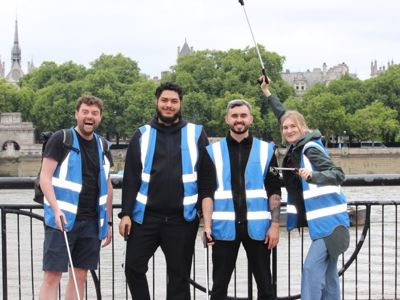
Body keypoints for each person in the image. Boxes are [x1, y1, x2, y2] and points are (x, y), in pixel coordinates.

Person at [260, 76, 350, 300]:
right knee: (329, 276)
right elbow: (283, 113)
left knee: (311, 269)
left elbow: (338, 174)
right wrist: (267, 92)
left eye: (293, 126)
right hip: (325, 223)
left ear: (303, 127)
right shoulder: (299, 144)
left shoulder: (309, 148)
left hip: (330, 223)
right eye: (285, 127)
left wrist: (313, 176)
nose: (288, 130)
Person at [118, 82, 209, 300]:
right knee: (133, 267)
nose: (169, 105)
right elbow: (131, 178)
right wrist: (126, 214)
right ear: (157, 102)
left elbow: (207, 176)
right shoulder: (141, 134)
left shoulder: (196, 134)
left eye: (174, 101)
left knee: (179, 278)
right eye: (165, 101)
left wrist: (203, 214)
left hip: (182, 219)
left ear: (180, 104)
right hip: (145, 218)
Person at [199, 98, 282, 300]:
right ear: (227, 119)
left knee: (266, 288)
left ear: (250, 119)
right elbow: (207, 193)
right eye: (234, 116)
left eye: (243, 115)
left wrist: (275, 225)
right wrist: (207, 226)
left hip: (259, 229)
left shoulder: (266, 150)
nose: (239, 120)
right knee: (218, 288)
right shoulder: (212, 152)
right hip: (224, 229)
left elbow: (274, 190)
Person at [39, 95, 113, 300]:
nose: (89, 117)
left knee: (80, 275)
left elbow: (107, 185)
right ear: (77, 114)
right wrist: (55, 210)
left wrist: (108, 221)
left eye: (94, 113)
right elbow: (45, 178)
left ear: (100, 117)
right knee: (53, 275)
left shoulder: (103, 146)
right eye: (85, 112)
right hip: (62, 220)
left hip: (91, 222)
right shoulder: (61, 139)